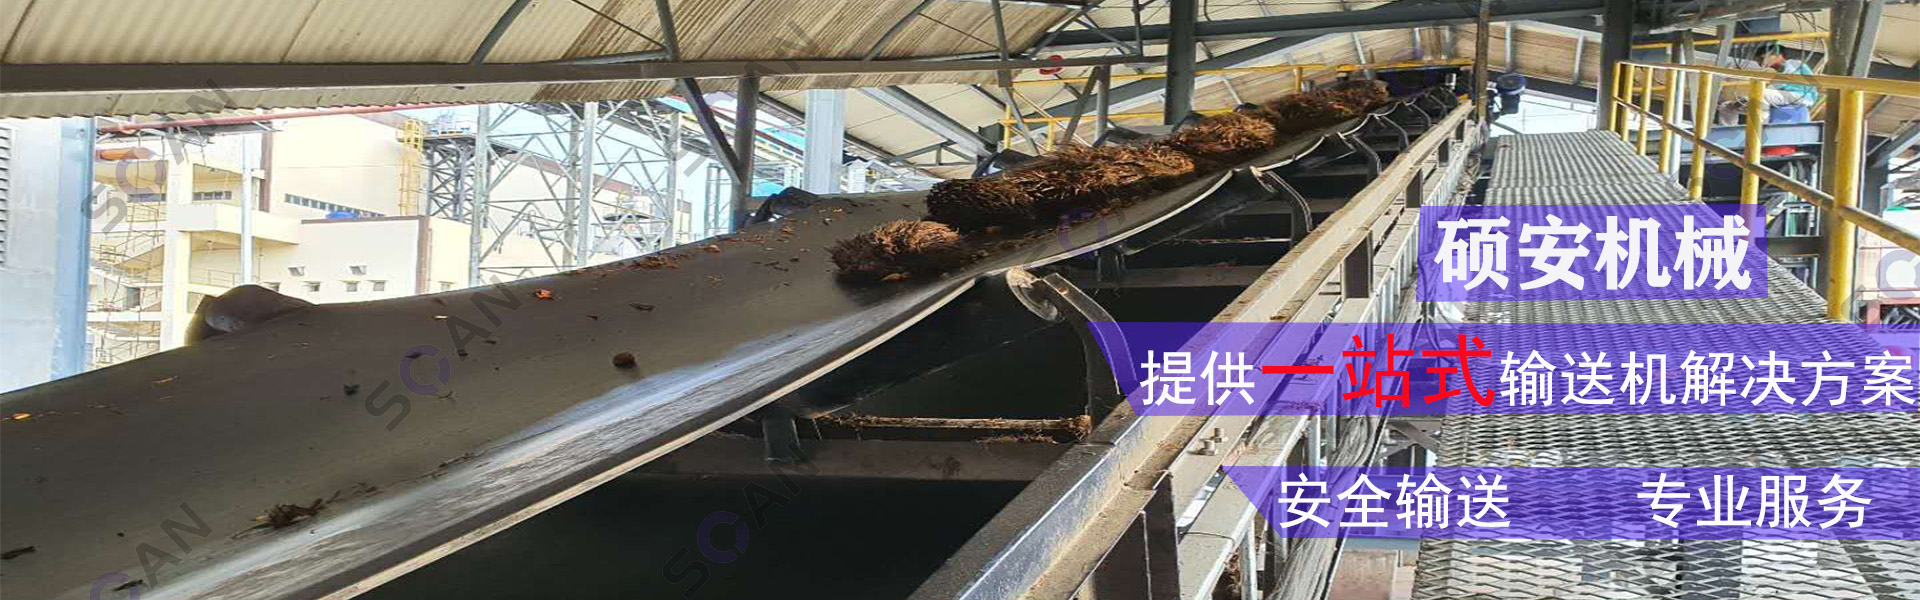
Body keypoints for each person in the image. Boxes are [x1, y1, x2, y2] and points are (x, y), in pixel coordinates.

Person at [1716, 45, 1820, 125]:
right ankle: (1727, 131)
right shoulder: (1777, 75)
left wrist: (1746, 98)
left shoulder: (1793, 63)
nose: (1760, 64)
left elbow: (1778, 85)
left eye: (1762, 59)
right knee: (1727, 106)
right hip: (1785, 97)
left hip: (1801, 96)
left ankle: (1760, 127)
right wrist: (1739, 102)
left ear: (1776, 54)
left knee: (1761, 94)